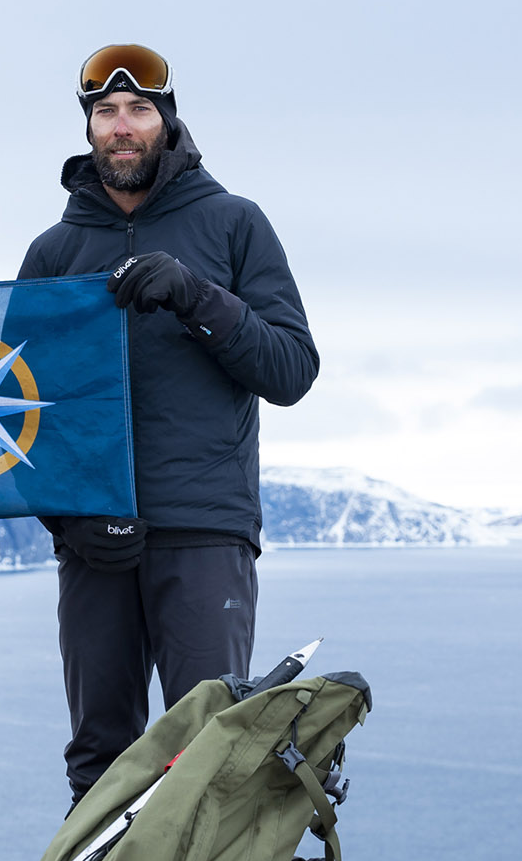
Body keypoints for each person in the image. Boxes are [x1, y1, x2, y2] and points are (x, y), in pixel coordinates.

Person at [16, 44, 319, 801]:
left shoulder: (235, 226)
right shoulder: (54, 252)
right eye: (105, 113)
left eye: (139, 110)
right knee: (100, 755)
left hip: (204, 531)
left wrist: (197, 296)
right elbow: (17, 413)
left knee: (210, 749)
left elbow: (291, 370)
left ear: (168, 121)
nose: (122, 126)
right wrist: (68, 520)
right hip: (94, 542)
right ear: (88, 130)